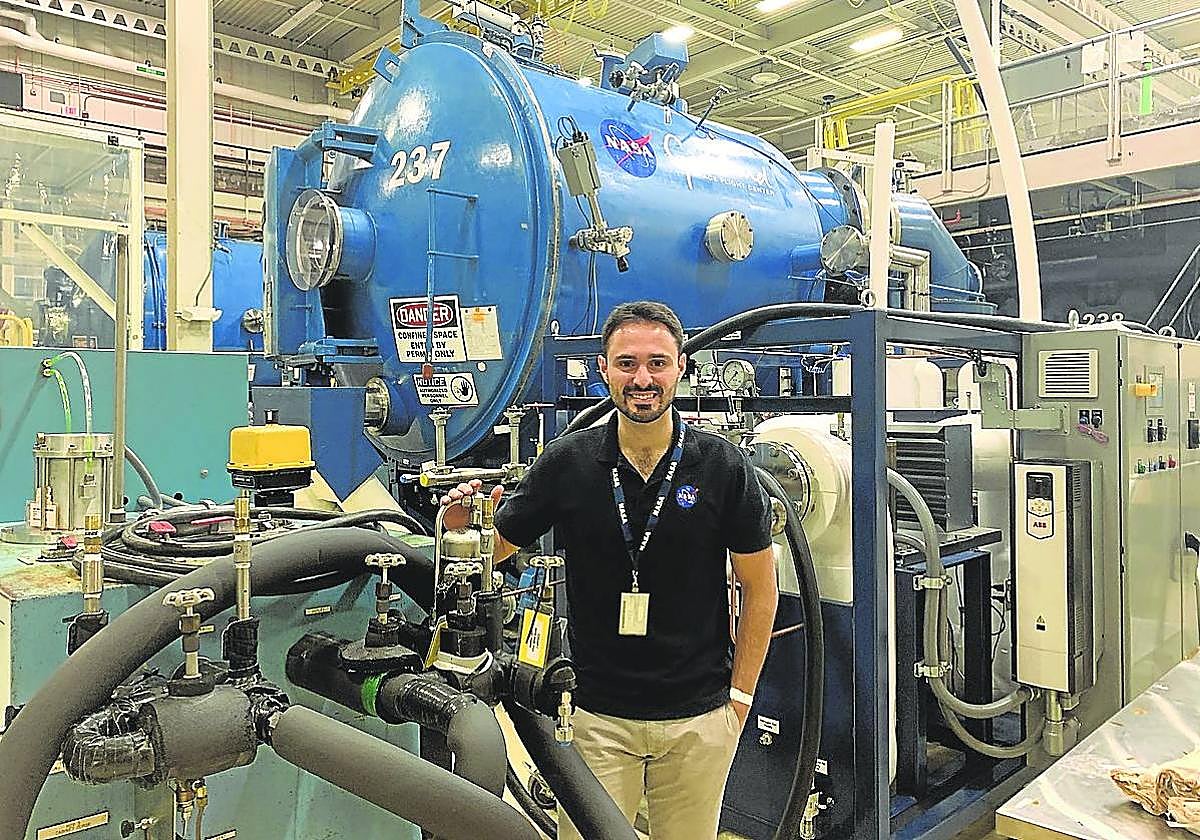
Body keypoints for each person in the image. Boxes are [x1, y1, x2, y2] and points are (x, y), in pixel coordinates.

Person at [440, 300, 778, 840]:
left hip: (697, 721)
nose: (642, 378)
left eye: (657, 362)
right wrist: (460, 527)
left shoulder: (721, 467)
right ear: (603, 370)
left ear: (681, 367)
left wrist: (739, 699)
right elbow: (495, 549)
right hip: (594, 720)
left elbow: (761, 587)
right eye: (626, 363)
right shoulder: (568, 462)